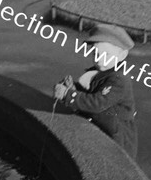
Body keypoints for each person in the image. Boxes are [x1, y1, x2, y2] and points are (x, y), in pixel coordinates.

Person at [53, 24, 138, 159]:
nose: (99, 59)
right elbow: (92, 93)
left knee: (114, 163)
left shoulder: (119, 79)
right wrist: (74, 88)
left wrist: (68, 95)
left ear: (122, 55)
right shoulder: (103, 71)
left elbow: (98, 102)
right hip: (103, 124)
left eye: (107, 55)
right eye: (95, 53)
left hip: (117, 135)